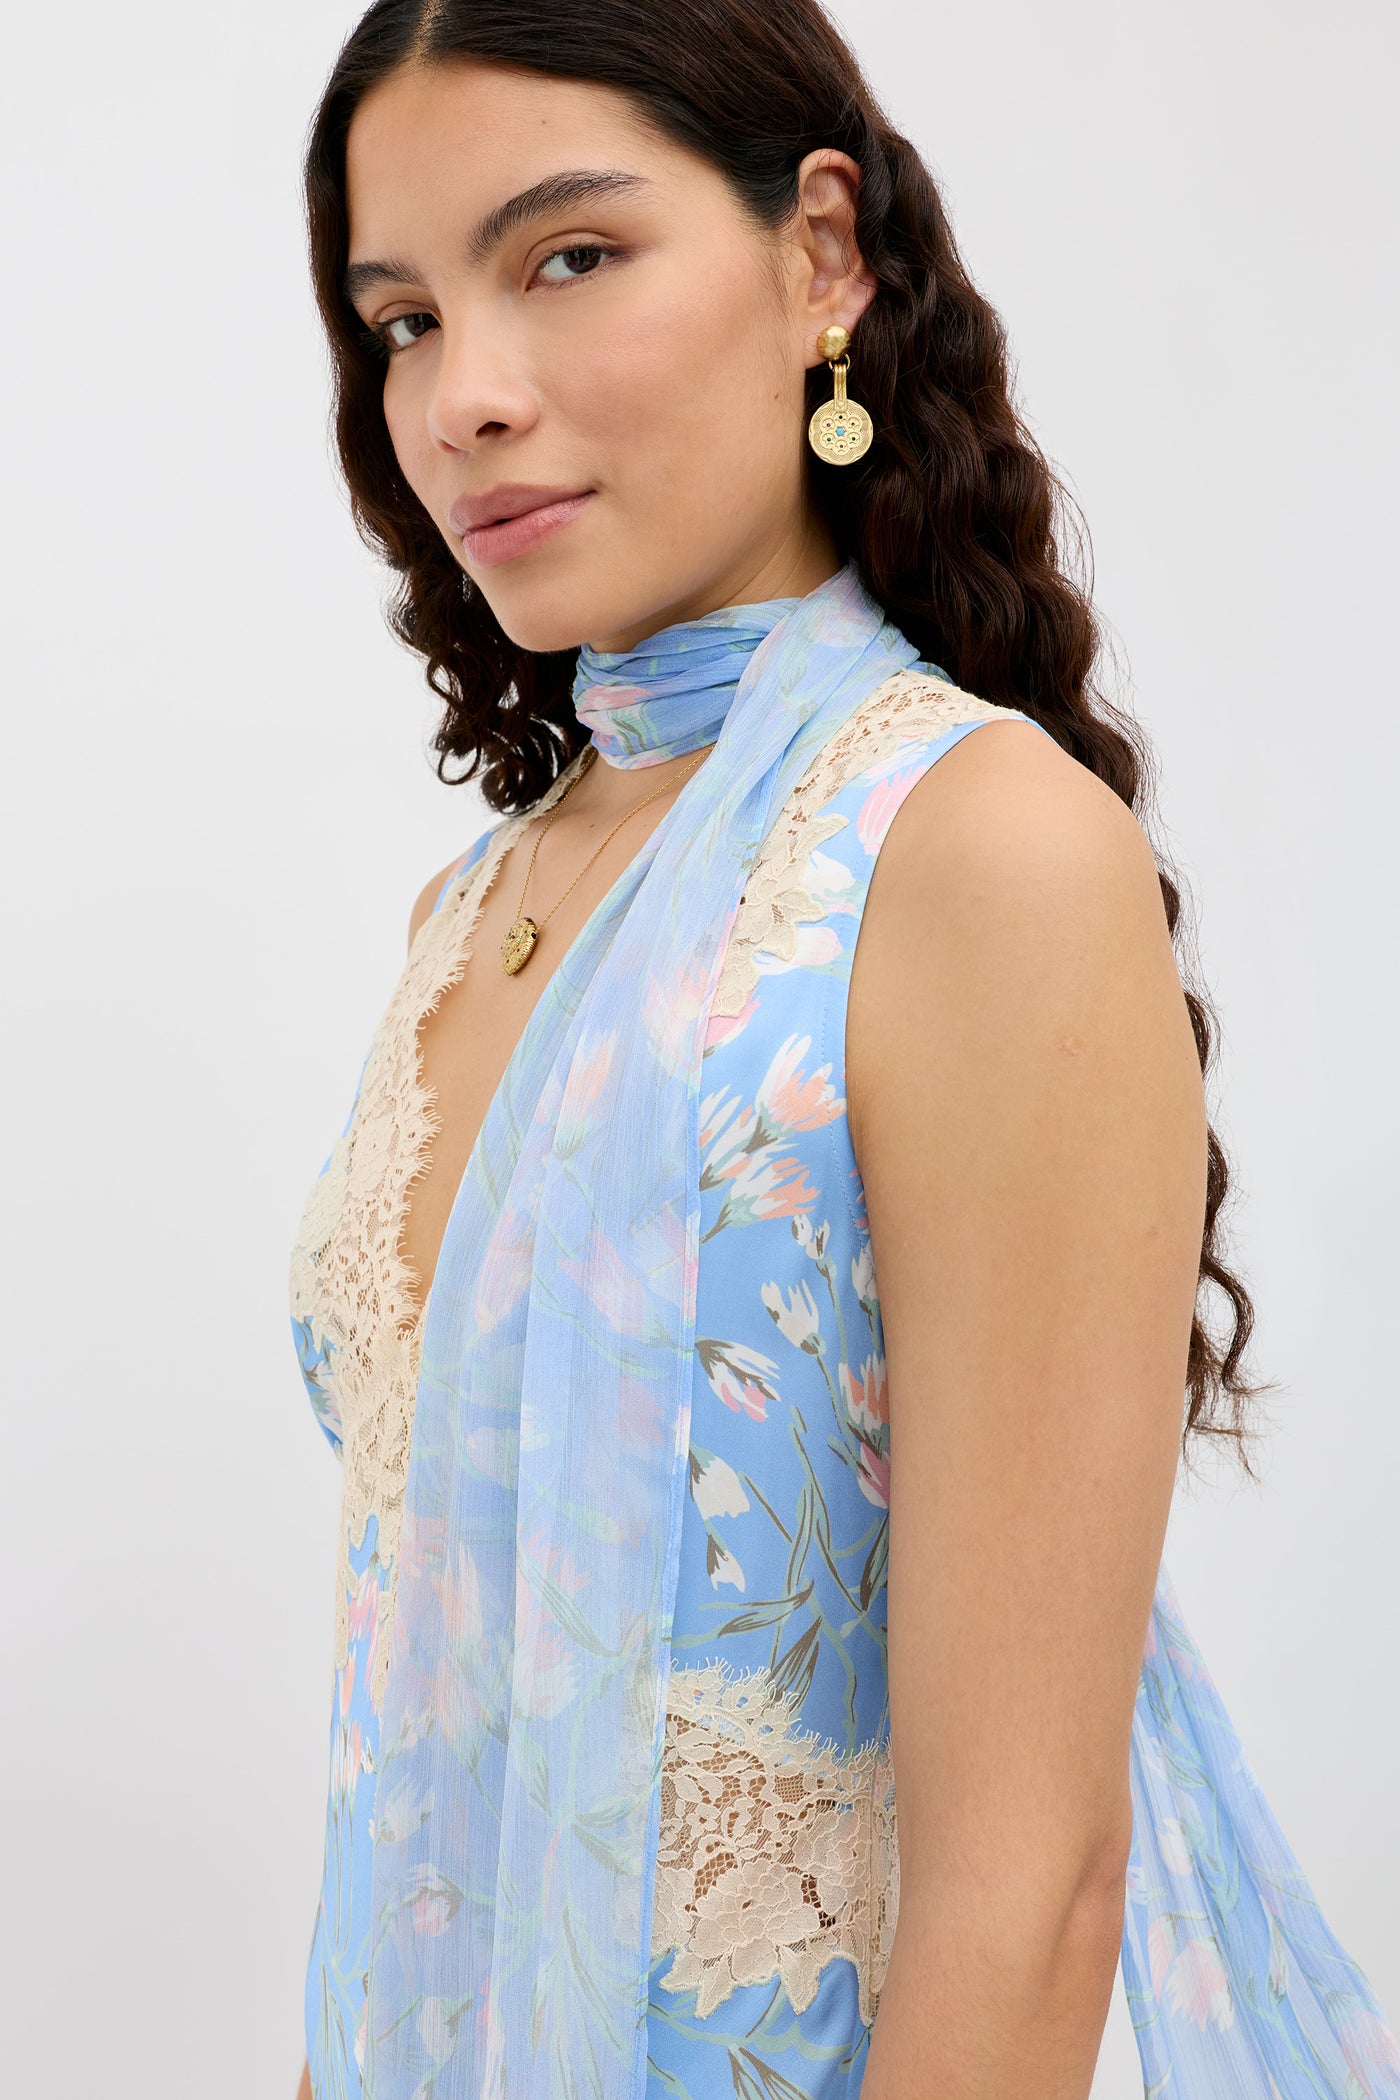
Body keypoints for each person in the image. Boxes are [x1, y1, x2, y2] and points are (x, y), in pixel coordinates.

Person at [287, 3, 1400, 2097]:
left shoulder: (970, 855)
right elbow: (408, 1788)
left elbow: (1031, 1885)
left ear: (818, 256)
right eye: (405, 317)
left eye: (568, 258)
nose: (467, 398)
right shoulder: (472, 918)